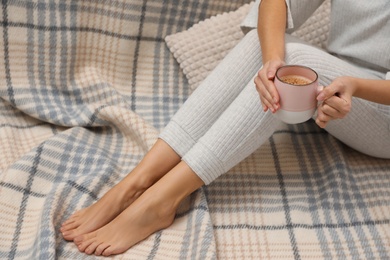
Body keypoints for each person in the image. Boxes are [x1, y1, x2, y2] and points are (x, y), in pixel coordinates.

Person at [60, 0, 390, 256]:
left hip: (382, 113)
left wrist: (355, 88)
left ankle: (161, 200)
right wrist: (271, 61)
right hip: (340, 83)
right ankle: (136, 182)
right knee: (265, 50)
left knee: (302, 64)